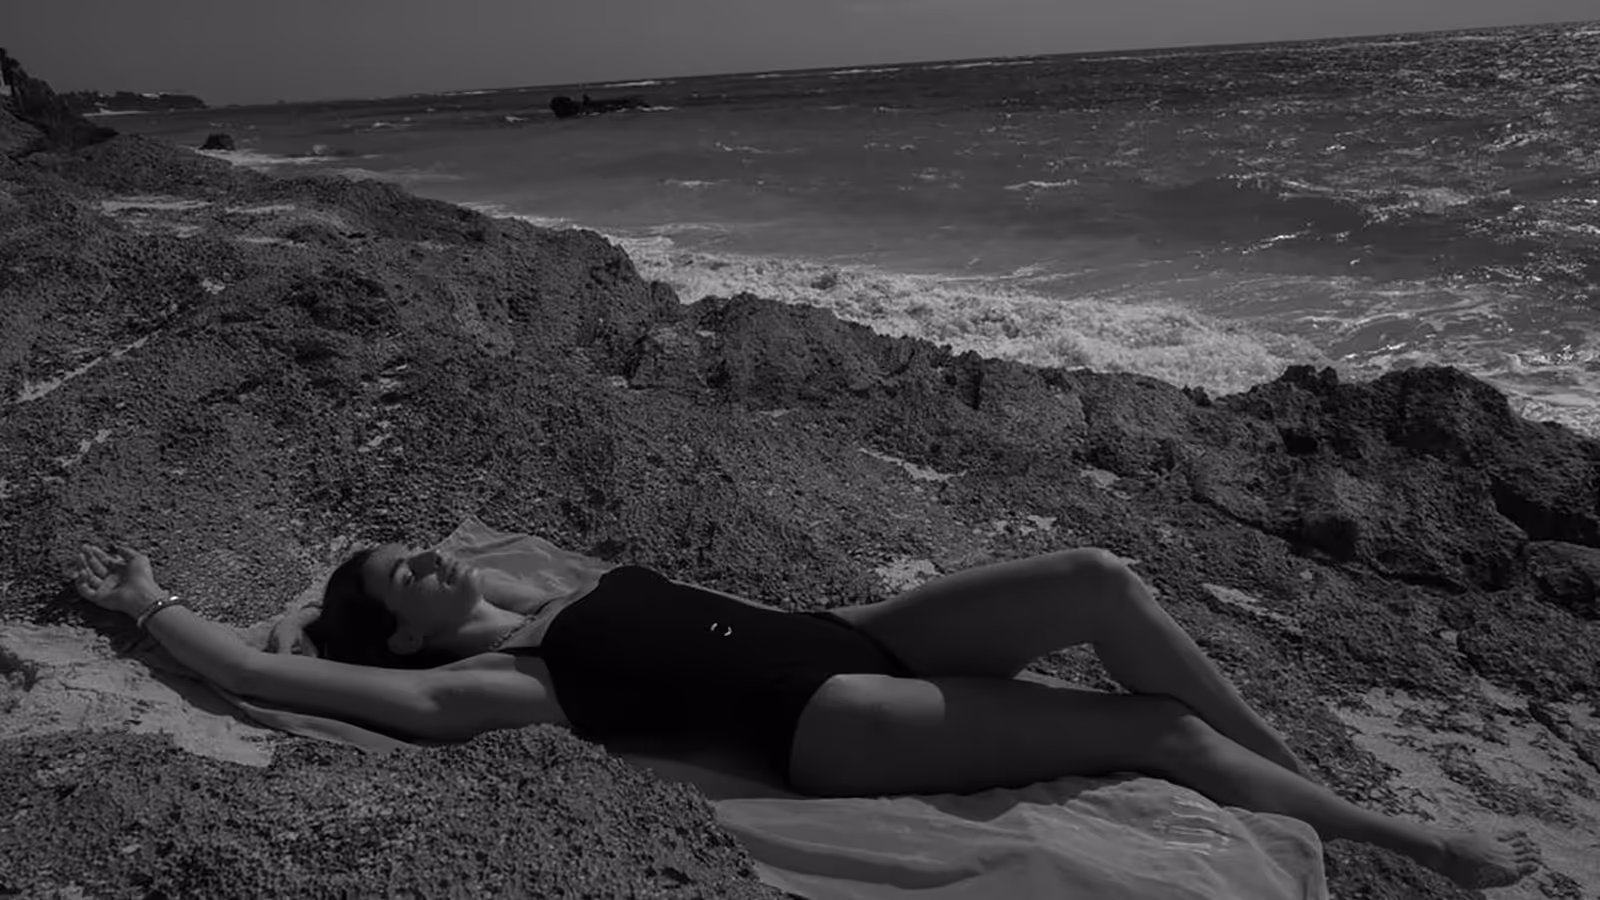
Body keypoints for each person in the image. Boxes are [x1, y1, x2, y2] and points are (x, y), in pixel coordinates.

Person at [73, 541, 1540, 890]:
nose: (433, 553)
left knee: (1101, 579)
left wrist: (299, 592)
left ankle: (1287, 778)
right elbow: (267, 678)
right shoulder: (497, 683)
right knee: (1147, 734)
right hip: (825, 715)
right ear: (396, 630)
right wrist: (151, 607)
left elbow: (312, 623)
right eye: (406, 571)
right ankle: (1402, 842)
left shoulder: (538, 579)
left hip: (853, 636)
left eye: (412, 539)